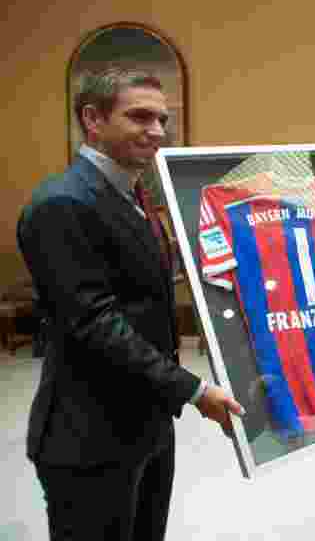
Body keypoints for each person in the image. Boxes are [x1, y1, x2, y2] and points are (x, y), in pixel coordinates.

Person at [17, 66, 243, 541]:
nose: (158, 131)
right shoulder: (61, 204)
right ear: (92, 119)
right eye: (140, 117)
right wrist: (195, 391)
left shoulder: (137, 197)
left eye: (163, 119)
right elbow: (98, 324)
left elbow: (146, 295)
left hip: (149, 426)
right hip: (89, 439)